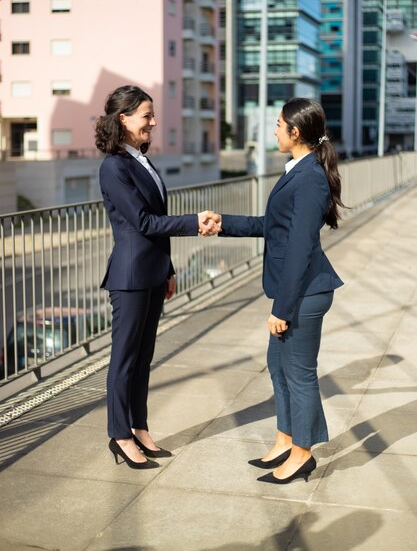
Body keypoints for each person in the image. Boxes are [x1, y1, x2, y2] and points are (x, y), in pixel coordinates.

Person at [210, 98, 344, 484]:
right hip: (296, 290)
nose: (274, 129)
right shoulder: (300, 171)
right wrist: (224, 224)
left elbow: (301, 248)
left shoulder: (310, 178)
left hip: (304, 292)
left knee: (299, 374)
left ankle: (303, 452)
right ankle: (286, 439)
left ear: (295, 132)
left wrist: (282, 310)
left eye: (278, 123)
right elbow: (274, 225)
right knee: (278, 367)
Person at [95, 85, 219, 469]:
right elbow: (144, 222)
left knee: (143, 357)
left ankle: (139, 427)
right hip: (130, 277)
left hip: (151, 274)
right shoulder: (113, 166)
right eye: (146, 115)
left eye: (152, 115)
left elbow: (153, 226)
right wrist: (194, 222)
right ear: (124, 119)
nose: (153, 122)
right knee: (125, 360)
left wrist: (168, 269)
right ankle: (119, 434)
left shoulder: (140, 160)